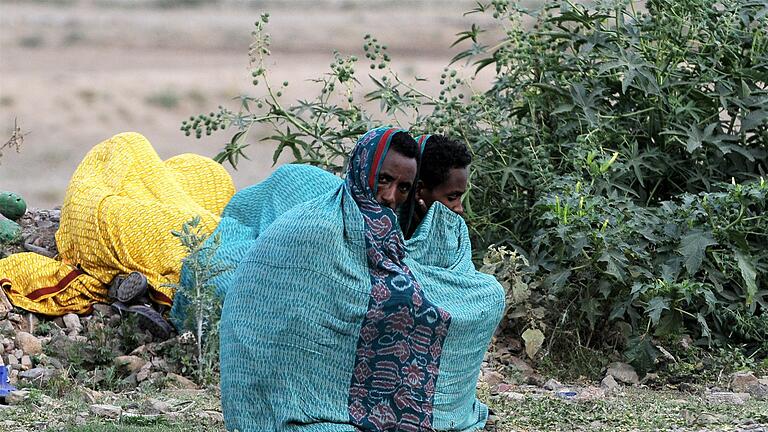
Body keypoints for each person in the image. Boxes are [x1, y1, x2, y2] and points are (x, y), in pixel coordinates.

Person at [219, 126, 504, 431]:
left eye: (403, 187)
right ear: (361, 169)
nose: (389, 196)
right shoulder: (319, 227)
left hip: (330, 387)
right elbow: (296, 329)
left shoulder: (385, 234)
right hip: (275, 393)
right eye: (383, 179)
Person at [0, 132, 234, 338]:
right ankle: (141, 291)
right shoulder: (204, 198)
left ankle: (134, 288)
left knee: (131, 143)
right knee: (132, 144)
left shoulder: (166, 186)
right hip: (103, 222)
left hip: (86, 218)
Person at [402, 134, 471, 238]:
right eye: (452, 197)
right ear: (418, 190)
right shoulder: (387, 237)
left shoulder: (458, 237)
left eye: (459, 197)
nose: (459, 209)